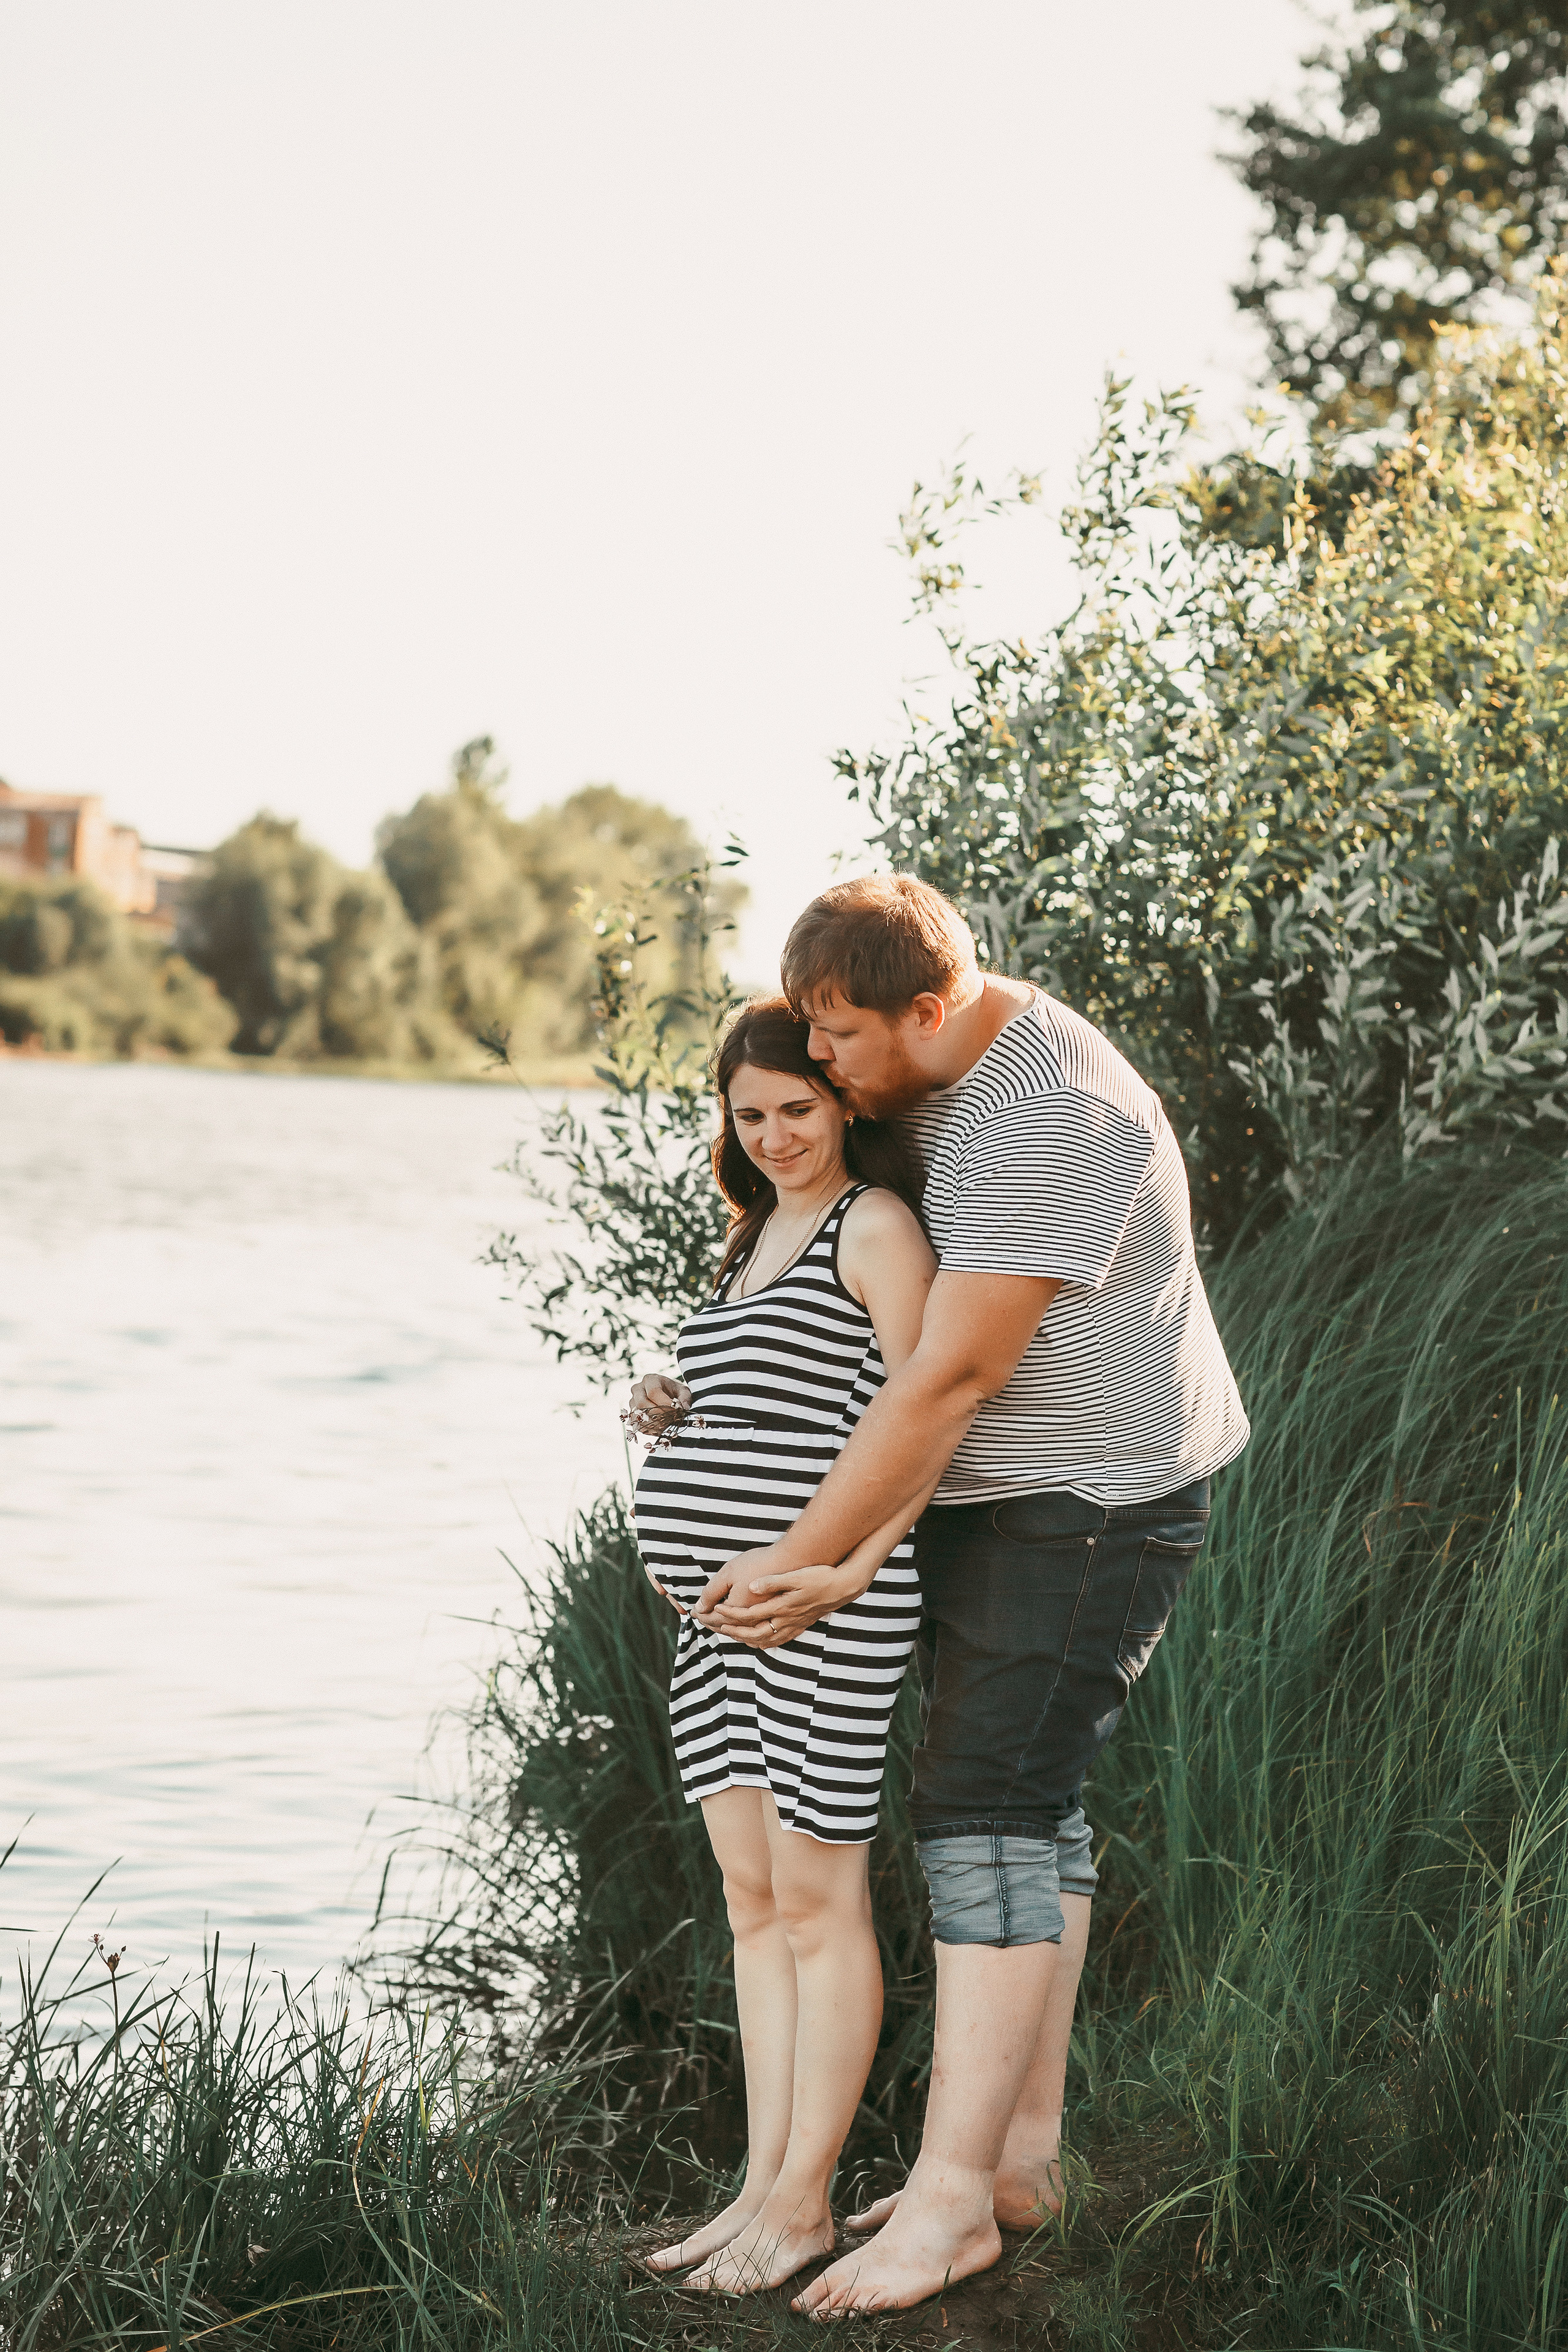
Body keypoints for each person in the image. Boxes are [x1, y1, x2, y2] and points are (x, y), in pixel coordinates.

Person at [695, 876, 1250, 2318]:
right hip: (991, 1498)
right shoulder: (926, 1067)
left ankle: (949, 2211)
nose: (822, 1065)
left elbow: (946, 1379)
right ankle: (1016, 2164)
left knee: (982, 1812)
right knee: (1030, 1809)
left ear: (928, 1012)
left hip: (1087, 1505)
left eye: (840, 1038)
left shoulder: (1047, 1115)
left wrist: (804, 1558)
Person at [625, 995, 938, 2295]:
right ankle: (755, 2193)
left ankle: (804, 2202)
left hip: (828, 1613)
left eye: (795, 1110)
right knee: (754, 1910)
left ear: (842, 1102)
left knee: (818, 1906)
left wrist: (844, 1568)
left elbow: (927, 1418)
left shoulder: (873, 1226)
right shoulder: (751, 1237)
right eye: (748, 1115)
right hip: (720, 1628)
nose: (771, 1135)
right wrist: (671, 1406)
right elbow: (776, 1401)